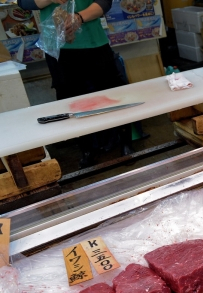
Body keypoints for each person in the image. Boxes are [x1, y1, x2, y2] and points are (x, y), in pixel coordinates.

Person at [18, 0, 132, 167]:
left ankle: (124, 141)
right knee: (70, 99)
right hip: (58, 47)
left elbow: (105, 2)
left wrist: (79, 17)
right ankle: (86, 148)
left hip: (94, 43)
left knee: (111, 93)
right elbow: (24, 3)